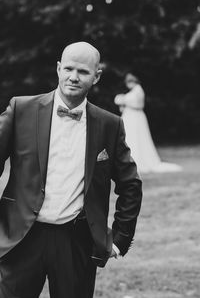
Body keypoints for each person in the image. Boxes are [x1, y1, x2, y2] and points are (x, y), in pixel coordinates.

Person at [0, 42, 142, 298]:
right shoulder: (21, 109)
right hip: (21, 238)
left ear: (96, 76)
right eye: (68, 68)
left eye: (83, 72)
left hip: (76, 241)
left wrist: (120, 239)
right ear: (58, 69)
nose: (73, 77)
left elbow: (130, 184)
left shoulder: (109, 125)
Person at [114, 73, 182, 173]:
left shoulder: (138, 90)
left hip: (135, 118)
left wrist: (122, 99)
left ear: (133, 82)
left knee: (136, 137)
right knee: (131, 137)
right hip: (132, 117)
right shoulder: (135, 91)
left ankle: (136, 159)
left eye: (129, 82)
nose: (128, 85)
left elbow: (134, 103)